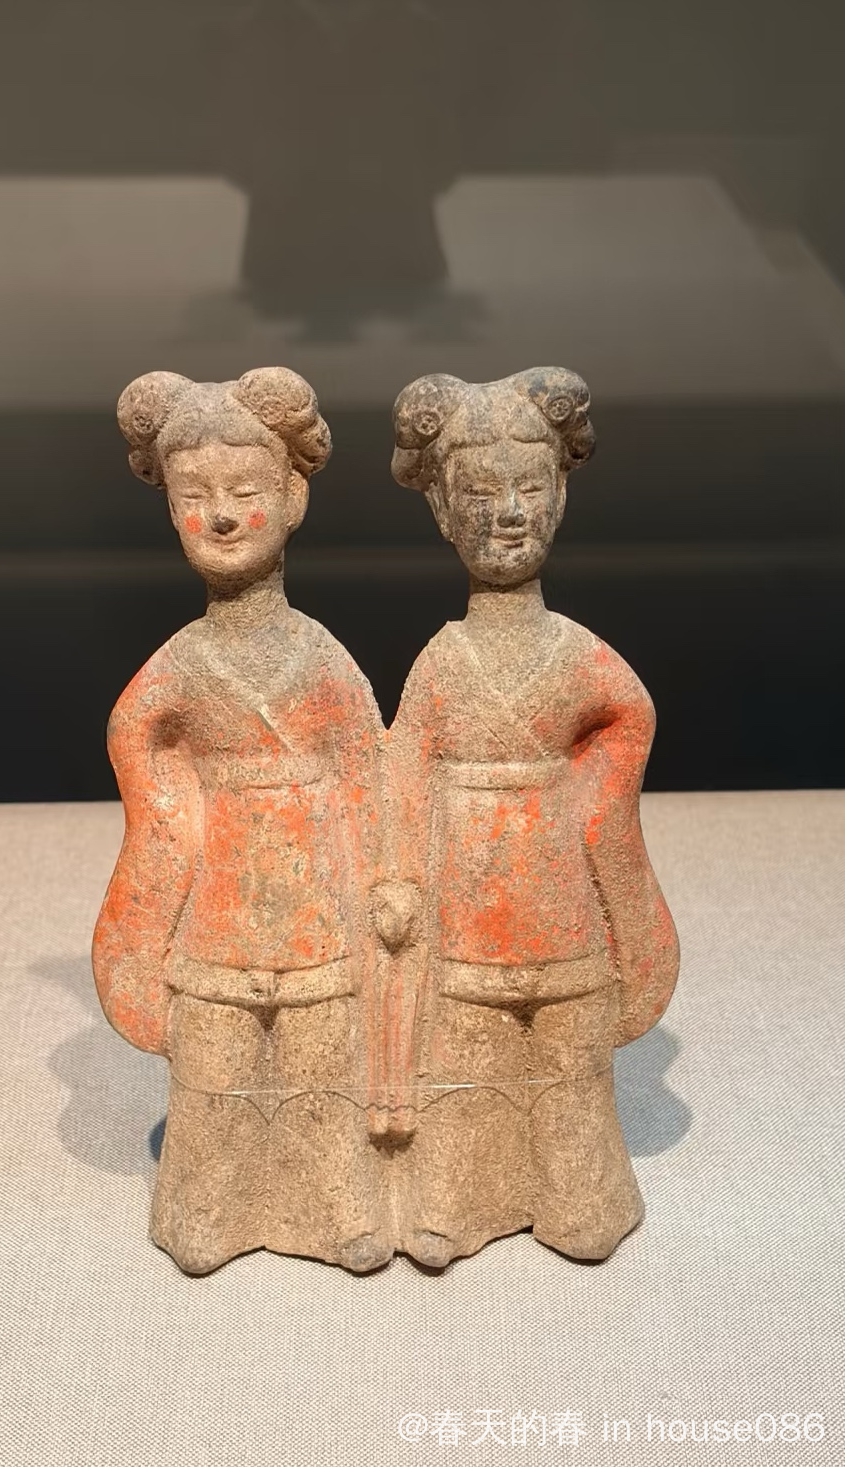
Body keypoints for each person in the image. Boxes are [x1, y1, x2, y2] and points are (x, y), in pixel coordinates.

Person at [377, 368, 680, 1264]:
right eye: (480, 494)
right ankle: (456, 1205)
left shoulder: (576, 653)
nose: (508, 514)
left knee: (569, 1067)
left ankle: (580, 1198)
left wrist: (595, 805)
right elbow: (402, 773)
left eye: (530, 489)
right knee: (465, 1063)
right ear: (442, 511)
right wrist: (400, 878)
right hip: (464, 912)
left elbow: (629, 716)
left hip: (560, 902)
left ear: (559, 497)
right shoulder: (441, 662)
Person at [92, 367, 390, 1274]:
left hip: (317, 914)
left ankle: (337, 1211)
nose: (220, 516)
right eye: (194, 497)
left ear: (292, 498)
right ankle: (206, 1210)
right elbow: (134, 738)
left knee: (319, 1072)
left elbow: (369, 776)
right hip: (216, 913)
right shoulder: (180, 664)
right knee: (215, 1074)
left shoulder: (321, 658)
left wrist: (382, 888)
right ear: (170, 510)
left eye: (245, 491)